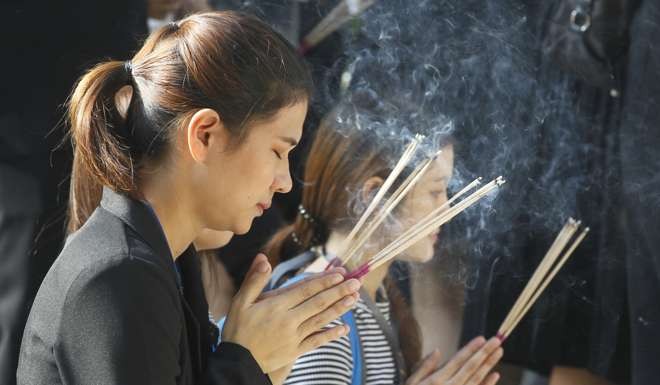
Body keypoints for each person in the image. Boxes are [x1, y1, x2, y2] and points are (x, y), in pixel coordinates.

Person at [17, 11, 362, 385]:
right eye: (279, 151)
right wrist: (245, 362)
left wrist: (265, 368)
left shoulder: (163, 262)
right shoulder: (119, 275)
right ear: (204, 135)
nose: (284, 184)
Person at [263, 98, 504, 385]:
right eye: (435, 192)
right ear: (375, 198)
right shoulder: (324, 316)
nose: (447, 209)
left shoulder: (372, 296)